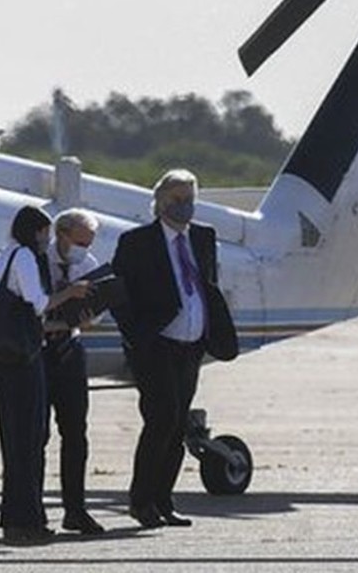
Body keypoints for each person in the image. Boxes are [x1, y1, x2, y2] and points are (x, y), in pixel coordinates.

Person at [112, 169, 232, 529]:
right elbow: (120, 292)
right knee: (160, 419)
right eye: (178, 200)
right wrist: (134, 334)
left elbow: (207, 283)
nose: (185, 207)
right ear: (161, 202)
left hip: (191, 344)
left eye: (190, 199)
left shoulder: (203, 238)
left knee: (178, 425)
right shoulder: (137, 242)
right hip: (155, 344)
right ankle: (141, 499)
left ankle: (164, 500)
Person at [0, 205, 89, 544]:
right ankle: (24, 521)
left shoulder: (5, 255)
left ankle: (21, 518)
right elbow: (39, 302)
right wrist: (70, 294)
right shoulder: (26, 258)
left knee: (17, 440)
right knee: (28, 440)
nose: (47, 239)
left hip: (3, 356)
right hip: (22, 357)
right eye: (45, 232)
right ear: (36, 232)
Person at [43, 208, 105, 535]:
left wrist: (87, 313)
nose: (84, 249)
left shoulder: (88, 264)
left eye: (89, 243)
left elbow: (95, 313)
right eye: (80, 241)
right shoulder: (38, 259)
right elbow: (34, 303)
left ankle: (75, 509)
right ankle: (33, 509)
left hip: (70, 345)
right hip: (39, 349)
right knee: (36, 434)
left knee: (76, 433)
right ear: (61, 234)